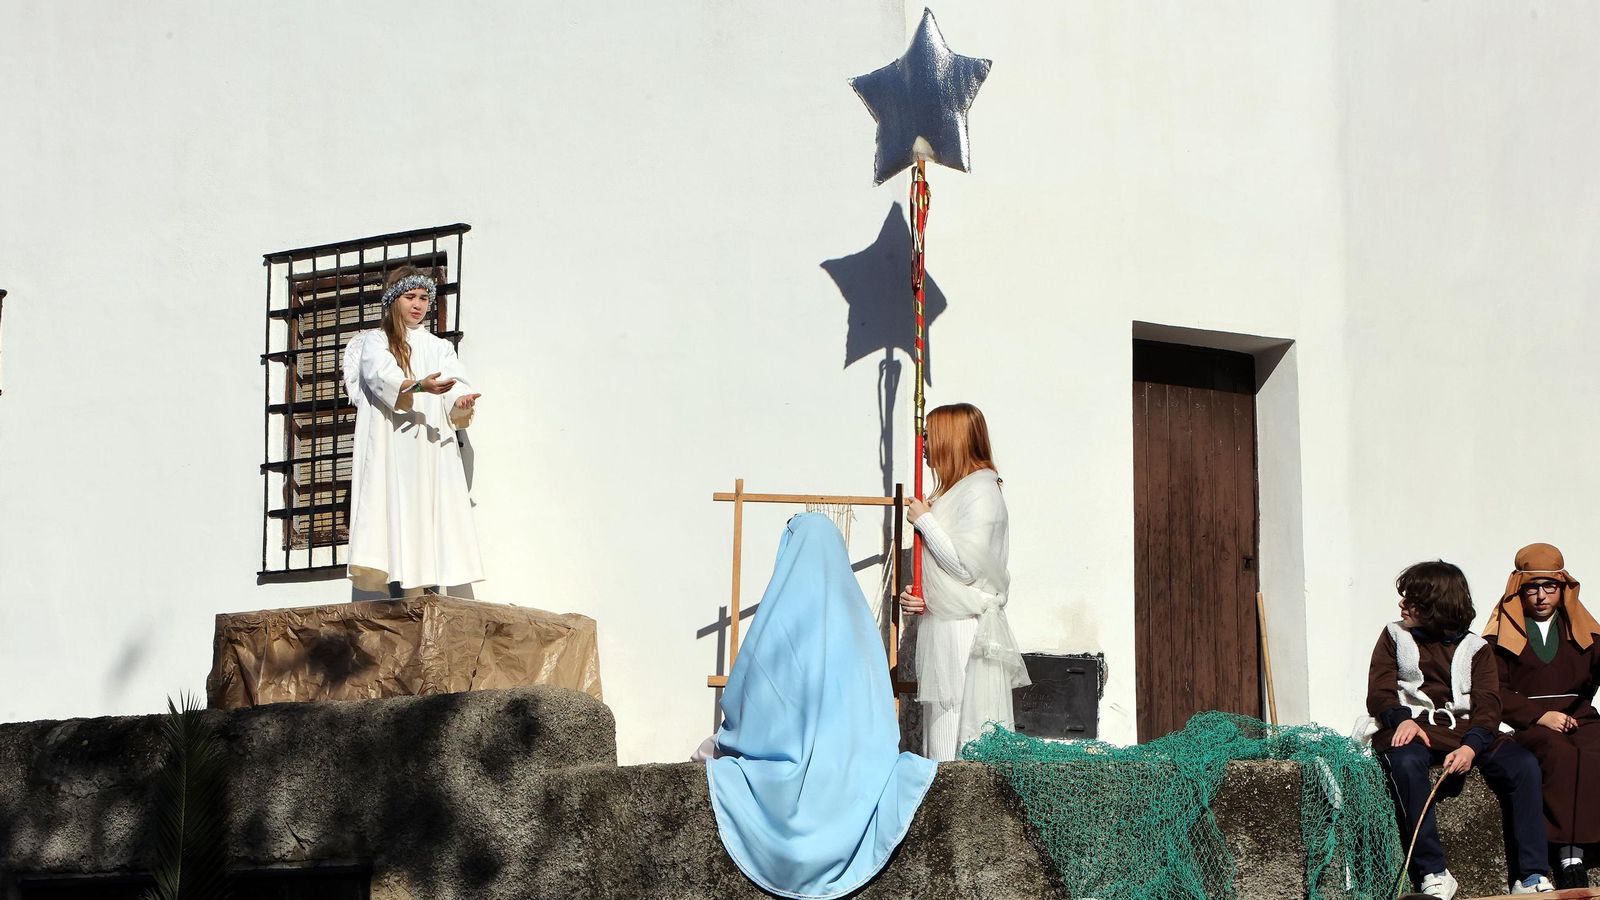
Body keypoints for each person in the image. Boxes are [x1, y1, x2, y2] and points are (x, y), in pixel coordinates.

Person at [703, 514, 937, 899]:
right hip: (856, 784)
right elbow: (880, 722)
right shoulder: (861, 627)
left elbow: (748, 705)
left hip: (777, 795)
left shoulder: (777, 620)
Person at [1366, 560, 1552, 897]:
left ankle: (1531, 875)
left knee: (1523, 765)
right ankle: (1433, 872)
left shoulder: (1476, 649)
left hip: (1465, 730)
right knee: (1406, 762)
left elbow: (1489, 707)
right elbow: (1379, 692)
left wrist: (1471, 746)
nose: (1402, 605)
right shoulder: (1394, 635)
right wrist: (1401, 719)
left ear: (1436, 606)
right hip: (1413, 726)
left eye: (1412, 600)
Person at [897, 403, 1029, 762]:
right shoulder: (957, 493)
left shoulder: (981, 492)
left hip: (963, 632)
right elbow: (950, 577)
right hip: (945, 627)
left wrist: (926, 522)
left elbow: (965, 567)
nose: (923, 444)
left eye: (930, 435)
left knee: (955, 731)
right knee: (941, 730)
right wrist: (923, 597)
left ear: (951, 440)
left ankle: (953, 796)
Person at [341, 266, 483, 595]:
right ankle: (405, 594)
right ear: (394, 300)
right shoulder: (376, 341)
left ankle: (428, 591)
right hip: (394, 445)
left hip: (430, 444)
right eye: (410, 297)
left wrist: (460, 401)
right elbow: (381, 376)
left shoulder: (439, 347)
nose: (418, 305)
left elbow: (454, 381)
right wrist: (419, 386)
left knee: (430, 510)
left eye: (423, 298)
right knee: (398, 509)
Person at [1484, 543, 1600, 890]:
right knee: (1559, 753)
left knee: (1594, 749)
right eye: (1532, 588)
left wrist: (1575, 712)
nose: (1541, 596)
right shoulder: (1503, 633)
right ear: (1519, 590)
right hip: (1532, 724)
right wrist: (1539, 716)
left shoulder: (1582, 628)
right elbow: (1495, 689)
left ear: (1563, 589)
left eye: (1550, 587)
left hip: (1580, 718)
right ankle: (1568, 856)